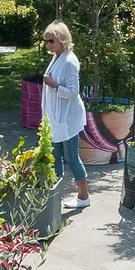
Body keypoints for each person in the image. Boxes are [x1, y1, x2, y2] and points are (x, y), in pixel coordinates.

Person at [41, 21, 91, 209]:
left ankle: (83, 196)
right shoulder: (57, 57)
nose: (49, 45)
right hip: (56, 117)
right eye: (46, 41)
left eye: (51, 40)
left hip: (67, 118)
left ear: (62, 39)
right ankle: (55, 195)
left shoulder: (69, 61)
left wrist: (53, 85)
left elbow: (72, 92)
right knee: (55, 156)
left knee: (71, 157)